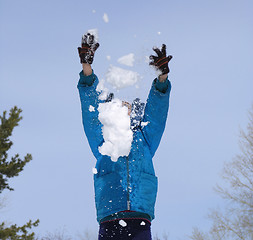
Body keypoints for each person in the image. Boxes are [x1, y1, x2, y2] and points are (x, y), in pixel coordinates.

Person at [77, 32, 173, 240]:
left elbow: (157, 114)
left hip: (140, 217)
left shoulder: (144, 138)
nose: (124, 106)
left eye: (128, 105)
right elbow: (90, 111)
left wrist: (162, 77)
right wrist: (87, 69)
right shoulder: (104, 140)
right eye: (118, 105)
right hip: (110, 215)